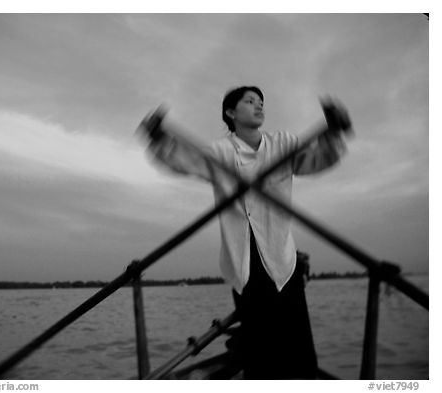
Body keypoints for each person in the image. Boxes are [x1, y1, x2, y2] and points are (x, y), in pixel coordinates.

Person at [138, 86, 352, 379]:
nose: (258, 106)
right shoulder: (219, 153)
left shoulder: (283, 144)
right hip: (243, 260)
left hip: (281, 258)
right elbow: (184, 161)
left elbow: (317, 159)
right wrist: (158, 138)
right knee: (260, 349)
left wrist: (335, 133)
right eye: (250, 101)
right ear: (230, 113)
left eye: (261, 102)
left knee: (298, 347)